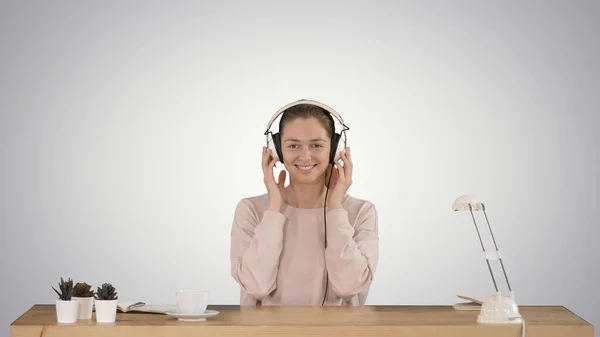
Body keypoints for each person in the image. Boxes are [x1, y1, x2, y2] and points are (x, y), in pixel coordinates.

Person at [230, 100, 379, 306]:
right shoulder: (252, 210)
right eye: (293, 145)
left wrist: (335, 206)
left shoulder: (360, 212)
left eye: (316, 145)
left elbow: (349, 286)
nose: (305, 155)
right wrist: (274, 210)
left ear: (335, 149)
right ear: (276, 151)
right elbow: (257, 286)